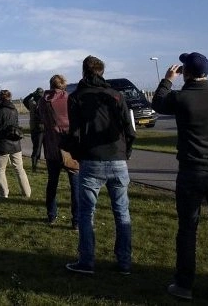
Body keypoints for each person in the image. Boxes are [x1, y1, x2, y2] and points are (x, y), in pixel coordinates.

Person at [152, 52, 208, 305]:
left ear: (187, 73)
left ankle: (184, 284)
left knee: (187, 230)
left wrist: (168, 79)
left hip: (191, 171)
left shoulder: (181, 98)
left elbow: (158, 103)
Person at [66, 55, 135, 275]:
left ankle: (87, 260)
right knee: (122, 212)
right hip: (117, 158)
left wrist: (77, 154)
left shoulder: (76, 97)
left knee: (87, 213)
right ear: (101, 71)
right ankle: (124, 261)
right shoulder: (115, 95)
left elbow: (75, 132)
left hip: (91, 159)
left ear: (84, 72)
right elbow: (129, 128)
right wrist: (126, 152)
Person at [38, 74, 78, 228]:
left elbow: (41, 118)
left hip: (51, 146)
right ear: (64, 85)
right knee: (75, 184)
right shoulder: (70, 99)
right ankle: (76, 220)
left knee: (52, 183)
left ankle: (51, 215)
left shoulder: (43, 101)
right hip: (69, 146)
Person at [0, 89, 31, 198]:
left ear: (0, 99)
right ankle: (26, 192)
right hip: (15, 143)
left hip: (2, 144)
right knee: (19, 169)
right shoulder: (14, 110)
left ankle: (4, 192)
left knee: (0, 169)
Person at [23, 87, 45, 171]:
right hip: (42, 128)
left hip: (34, 128)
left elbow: (24, 100)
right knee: (42, 148)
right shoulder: (43, 102)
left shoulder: (31, 103)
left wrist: (31, 94)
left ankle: (34, 165)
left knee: (36, 147)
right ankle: (35, 166)